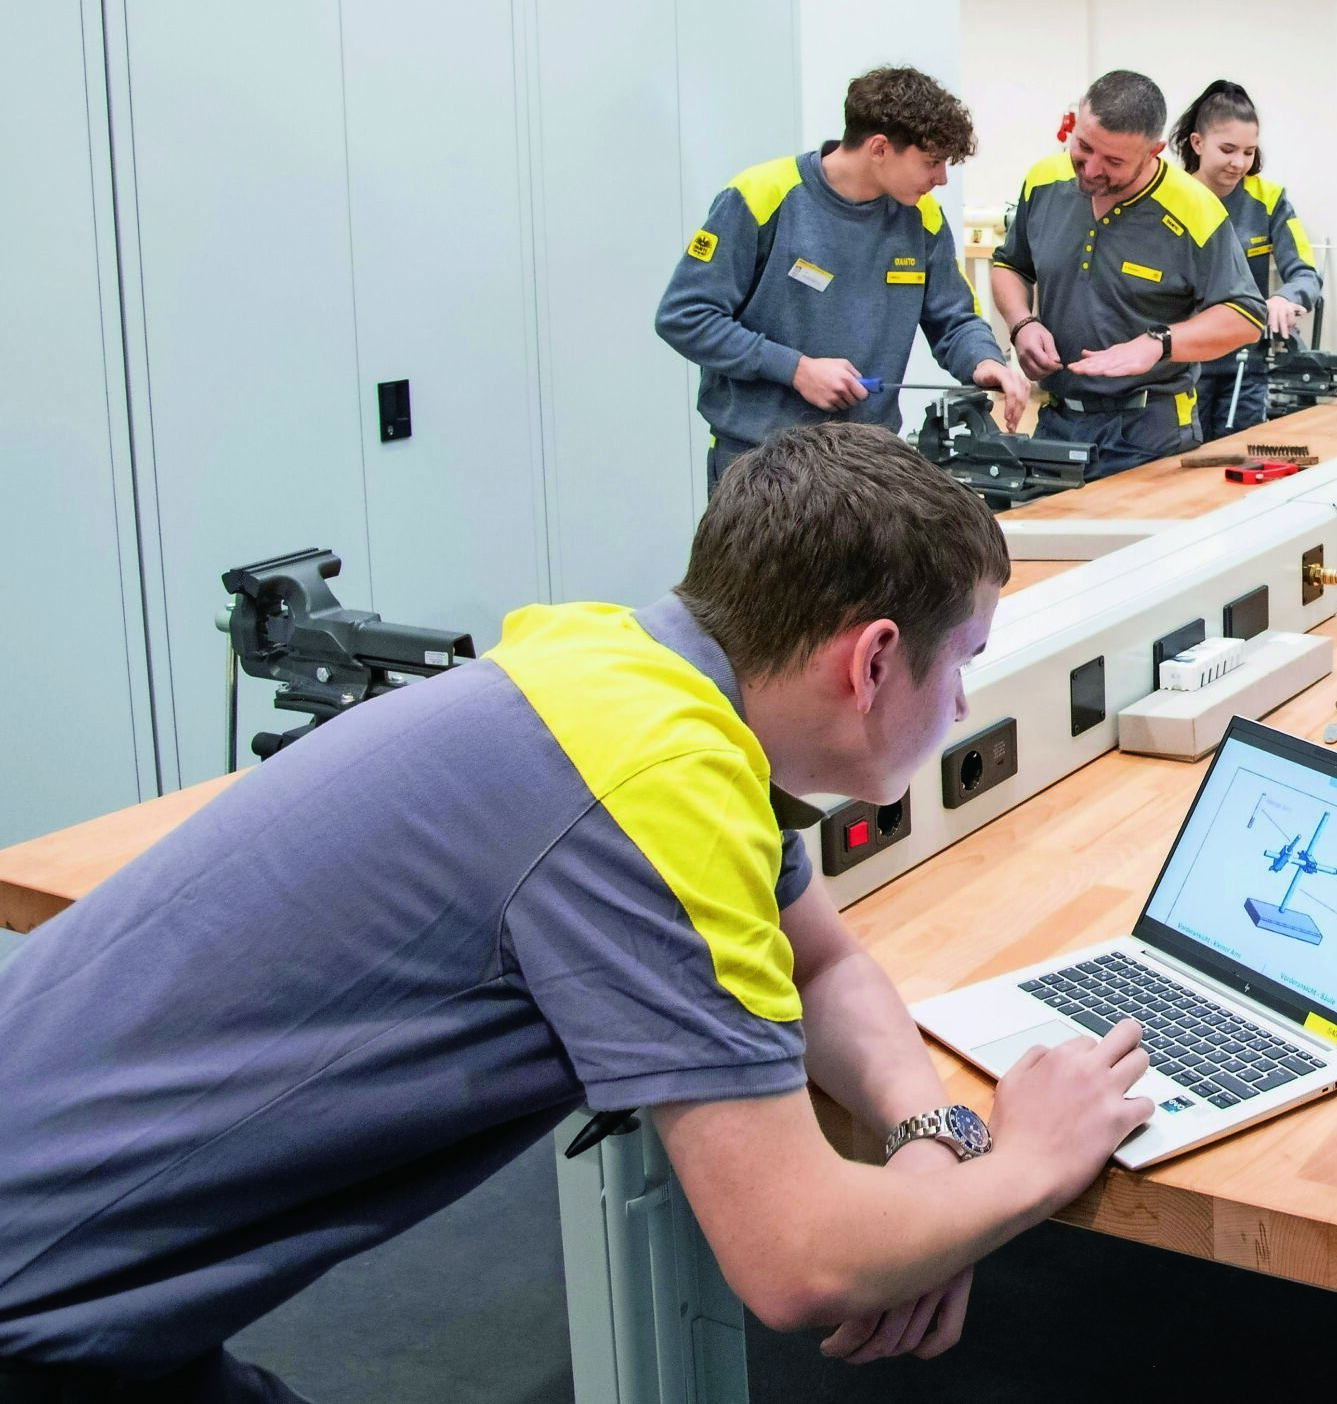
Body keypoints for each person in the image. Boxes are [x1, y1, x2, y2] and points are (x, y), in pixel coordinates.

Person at [0, 424, 1153, 1399]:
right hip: (38, 1314)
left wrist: (929, 1151)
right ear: (872, 661)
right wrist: (1030, 1162)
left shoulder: (628, 675)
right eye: (964, 666)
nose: (960, 702)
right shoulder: (653, 792)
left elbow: (823, 966)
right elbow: (800, 1262)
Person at [657, 66, 1033, 491]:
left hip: (868, 464)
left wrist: (985, 362)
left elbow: (955, 319)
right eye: (931, 162)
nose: (941, 178)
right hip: (762, 465)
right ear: (879, 148)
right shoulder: (761, 196)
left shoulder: (923, 219)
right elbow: (684, 316)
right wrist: (795, 369)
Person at [988, 71, 1265, 479]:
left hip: (1151, 434)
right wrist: (1021, 322)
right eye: (1084, 147)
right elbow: (1011, 265)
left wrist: (1159, 343)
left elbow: (1246, 317)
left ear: (1153, 151)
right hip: (1057, 425)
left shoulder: (1194, 209)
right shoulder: (1044, 180)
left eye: (1114, 161)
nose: (1092, 169)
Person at [1174, 80, 1325, 440]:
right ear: (1197, 143)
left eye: (1248, 152)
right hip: (1179, 369)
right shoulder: (1169, 196)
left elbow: (1305, 274)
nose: (1239, 163)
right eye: (1227, 149)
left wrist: (1286, 298)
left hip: (1245, 367)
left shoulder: (1269, 199)